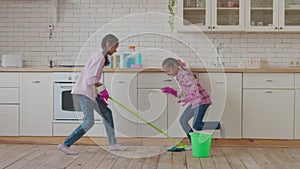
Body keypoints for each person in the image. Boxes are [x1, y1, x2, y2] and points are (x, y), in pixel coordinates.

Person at [57, 34, 127, 155]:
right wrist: (101, 89)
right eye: (115, 47)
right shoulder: (99, 57)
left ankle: (113, 144)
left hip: (90, 92)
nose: (115, 50)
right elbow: (90, 80)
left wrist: (99, 92)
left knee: (107, 113)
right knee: (89, 121)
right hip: (84, 92)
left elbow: (91, 79)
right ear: (108, 45)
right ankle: (65, 144)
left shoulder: (100, 56)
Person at [161, 58, 225, 148]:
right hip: (195, 102)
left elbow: (193, 86)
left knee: (197, 125)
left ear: (175, 66)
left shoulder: (185, 74)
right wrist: (172, 92)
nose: (168, 73)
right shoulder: (179, 76)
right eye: (166, 72)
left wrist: (191, 95)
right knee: (183, 120)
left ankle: (218, 125)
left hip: (201, 101)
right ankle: (193, 144)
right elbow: (183, 92)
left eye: (169, 71)